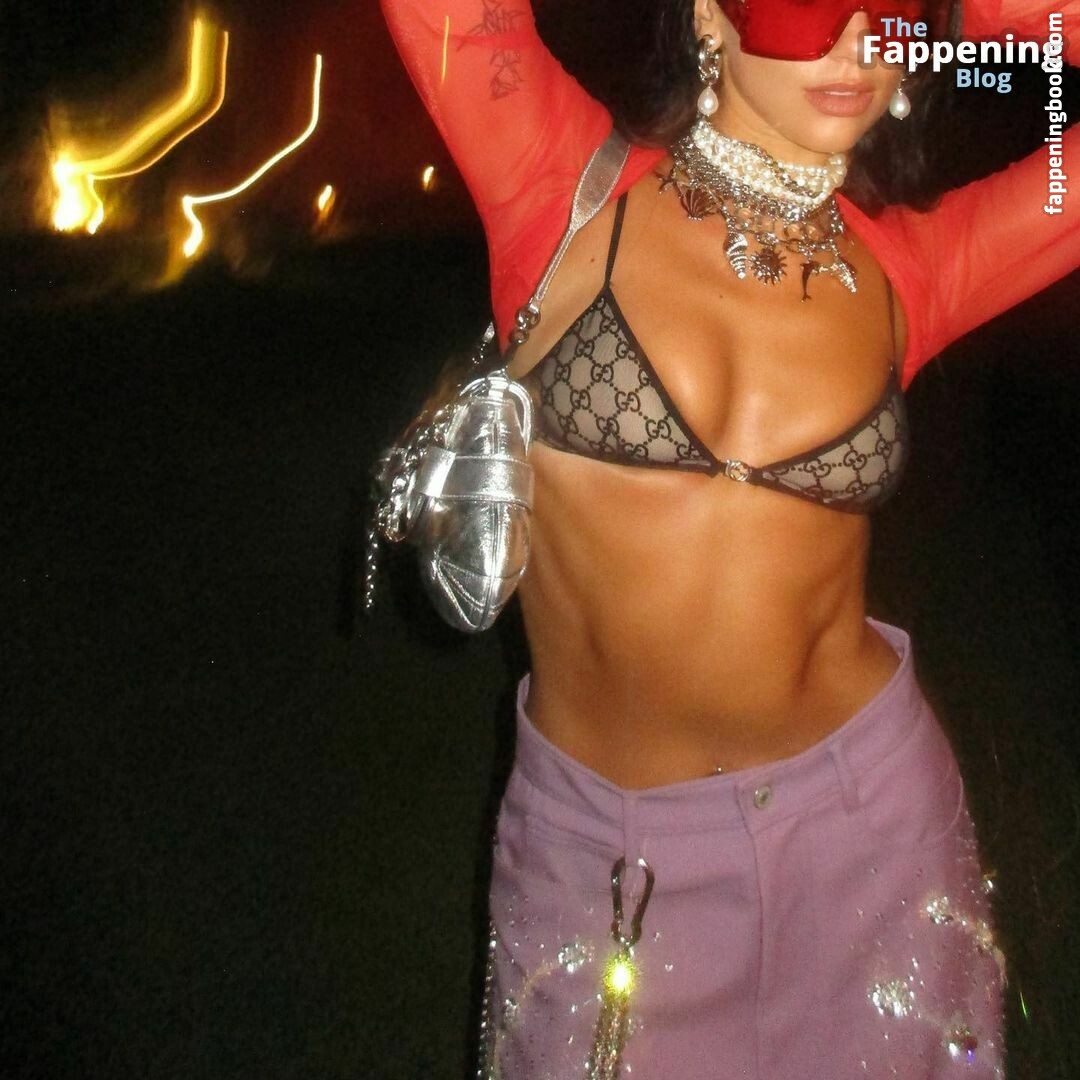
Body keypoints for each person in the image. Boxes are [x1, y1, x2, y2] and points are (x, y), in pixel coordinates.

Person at [379, 0, 1077, 1075]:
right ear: (711, 14)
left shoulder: (917, 268)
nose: (857, 46)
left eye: (891, 16)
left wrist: (1003, 16)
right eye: (809, 6)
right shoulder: (557, 184)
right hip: (606, 862)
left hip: (872, 831)